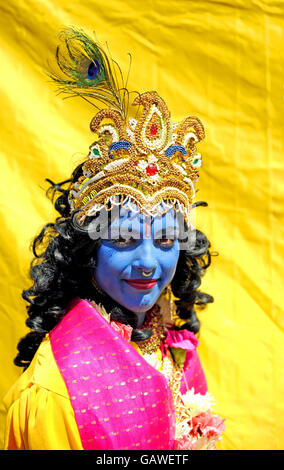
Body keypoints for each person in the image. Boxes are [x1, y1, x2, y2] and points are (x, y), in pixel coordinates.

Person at [3, 27, 225, 450]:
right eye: (124, 240)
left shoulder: (171, 341)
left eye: (164, 241)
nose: (147, 262)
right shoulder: (57, 387)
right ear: (88, 250)